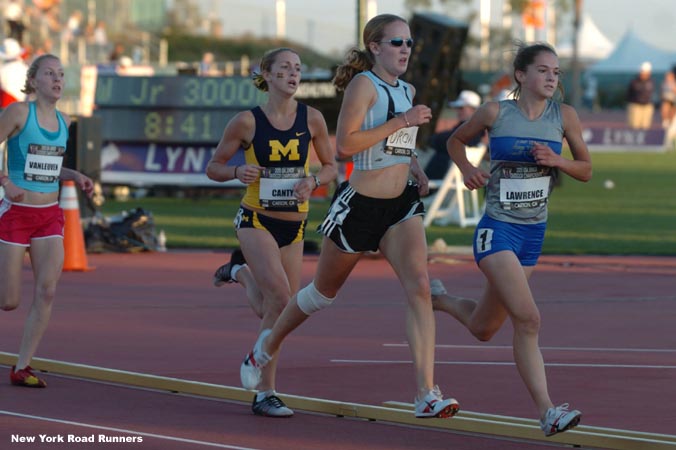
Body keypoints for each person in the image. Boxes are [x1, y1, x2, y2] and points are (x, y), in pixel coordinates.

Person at [238, 14, 459, 419]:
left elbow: (398, 146)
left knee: (421, 288)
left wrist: (415, 167)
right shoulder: (364, 86)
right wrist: (401, 121)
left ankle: (426, 393)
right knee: (320, 295)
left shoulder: (407, 90)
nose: (406, 49)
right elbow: (344, 147)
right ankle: (263, 350)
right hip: (359, 206)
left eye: (409, 42)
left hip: (401, 205)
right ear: (375, 47)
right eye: (396, 42)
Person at [429, 42, 591, 436]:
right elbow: (454, 141)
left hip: (533, 233)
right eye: (543, 70)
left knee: (484, 328)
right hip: (496, 229)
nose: (552, 77)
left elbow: (585, 169)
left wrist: (558, 161)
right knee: (528, 319)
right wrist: (467, 168)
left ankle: (436, 299)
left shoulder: (563, 116)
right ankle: (547, 411)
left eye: (556, 72)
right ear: (521, 75)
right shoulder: (495, 112)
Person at [206, 47, 337, 417]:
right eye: (285, 69)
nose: (293, 75)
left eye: (298, 69)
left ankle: (239, 272)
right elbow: (213, 166)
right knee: (281, 298)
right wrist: (236, 172)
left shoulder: (312, 119)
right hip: (256, 219)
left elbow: (331, 167)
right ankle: (265, 391)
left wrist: (313, 180)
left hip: (293, 226)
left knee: (275, 307)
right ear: (267, 74)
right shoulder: (246, 122)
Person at [0, 54, 95, 388]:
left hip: (49, 216)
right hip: (15, 214)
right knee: (8, 301)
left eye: (61, 74)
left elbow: (49, 169)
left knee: (48, 290)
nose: (57, 79)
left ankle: (22, 366)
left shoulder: (64, 121)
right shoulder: (18, 113)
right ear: (34, 80)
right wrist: (6, 182)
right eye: (50, 73)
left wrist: (76, 175)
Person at [424, 90, 484, 181]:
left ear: (473, 109)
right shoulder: (471, 127)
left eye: (461, 108)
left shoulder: (472, 129)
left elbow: (444, 140)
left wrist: (434, 139)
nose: (458, 111)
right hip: (446, 180)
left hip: (436, 182)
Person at [626, 61, 655, 130]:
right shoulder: (634, 82)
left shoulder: (651, 82)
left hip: (647, 106)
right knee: (634, 126)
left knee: (646, 126)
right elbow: (628, 94)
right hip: (636, 106)